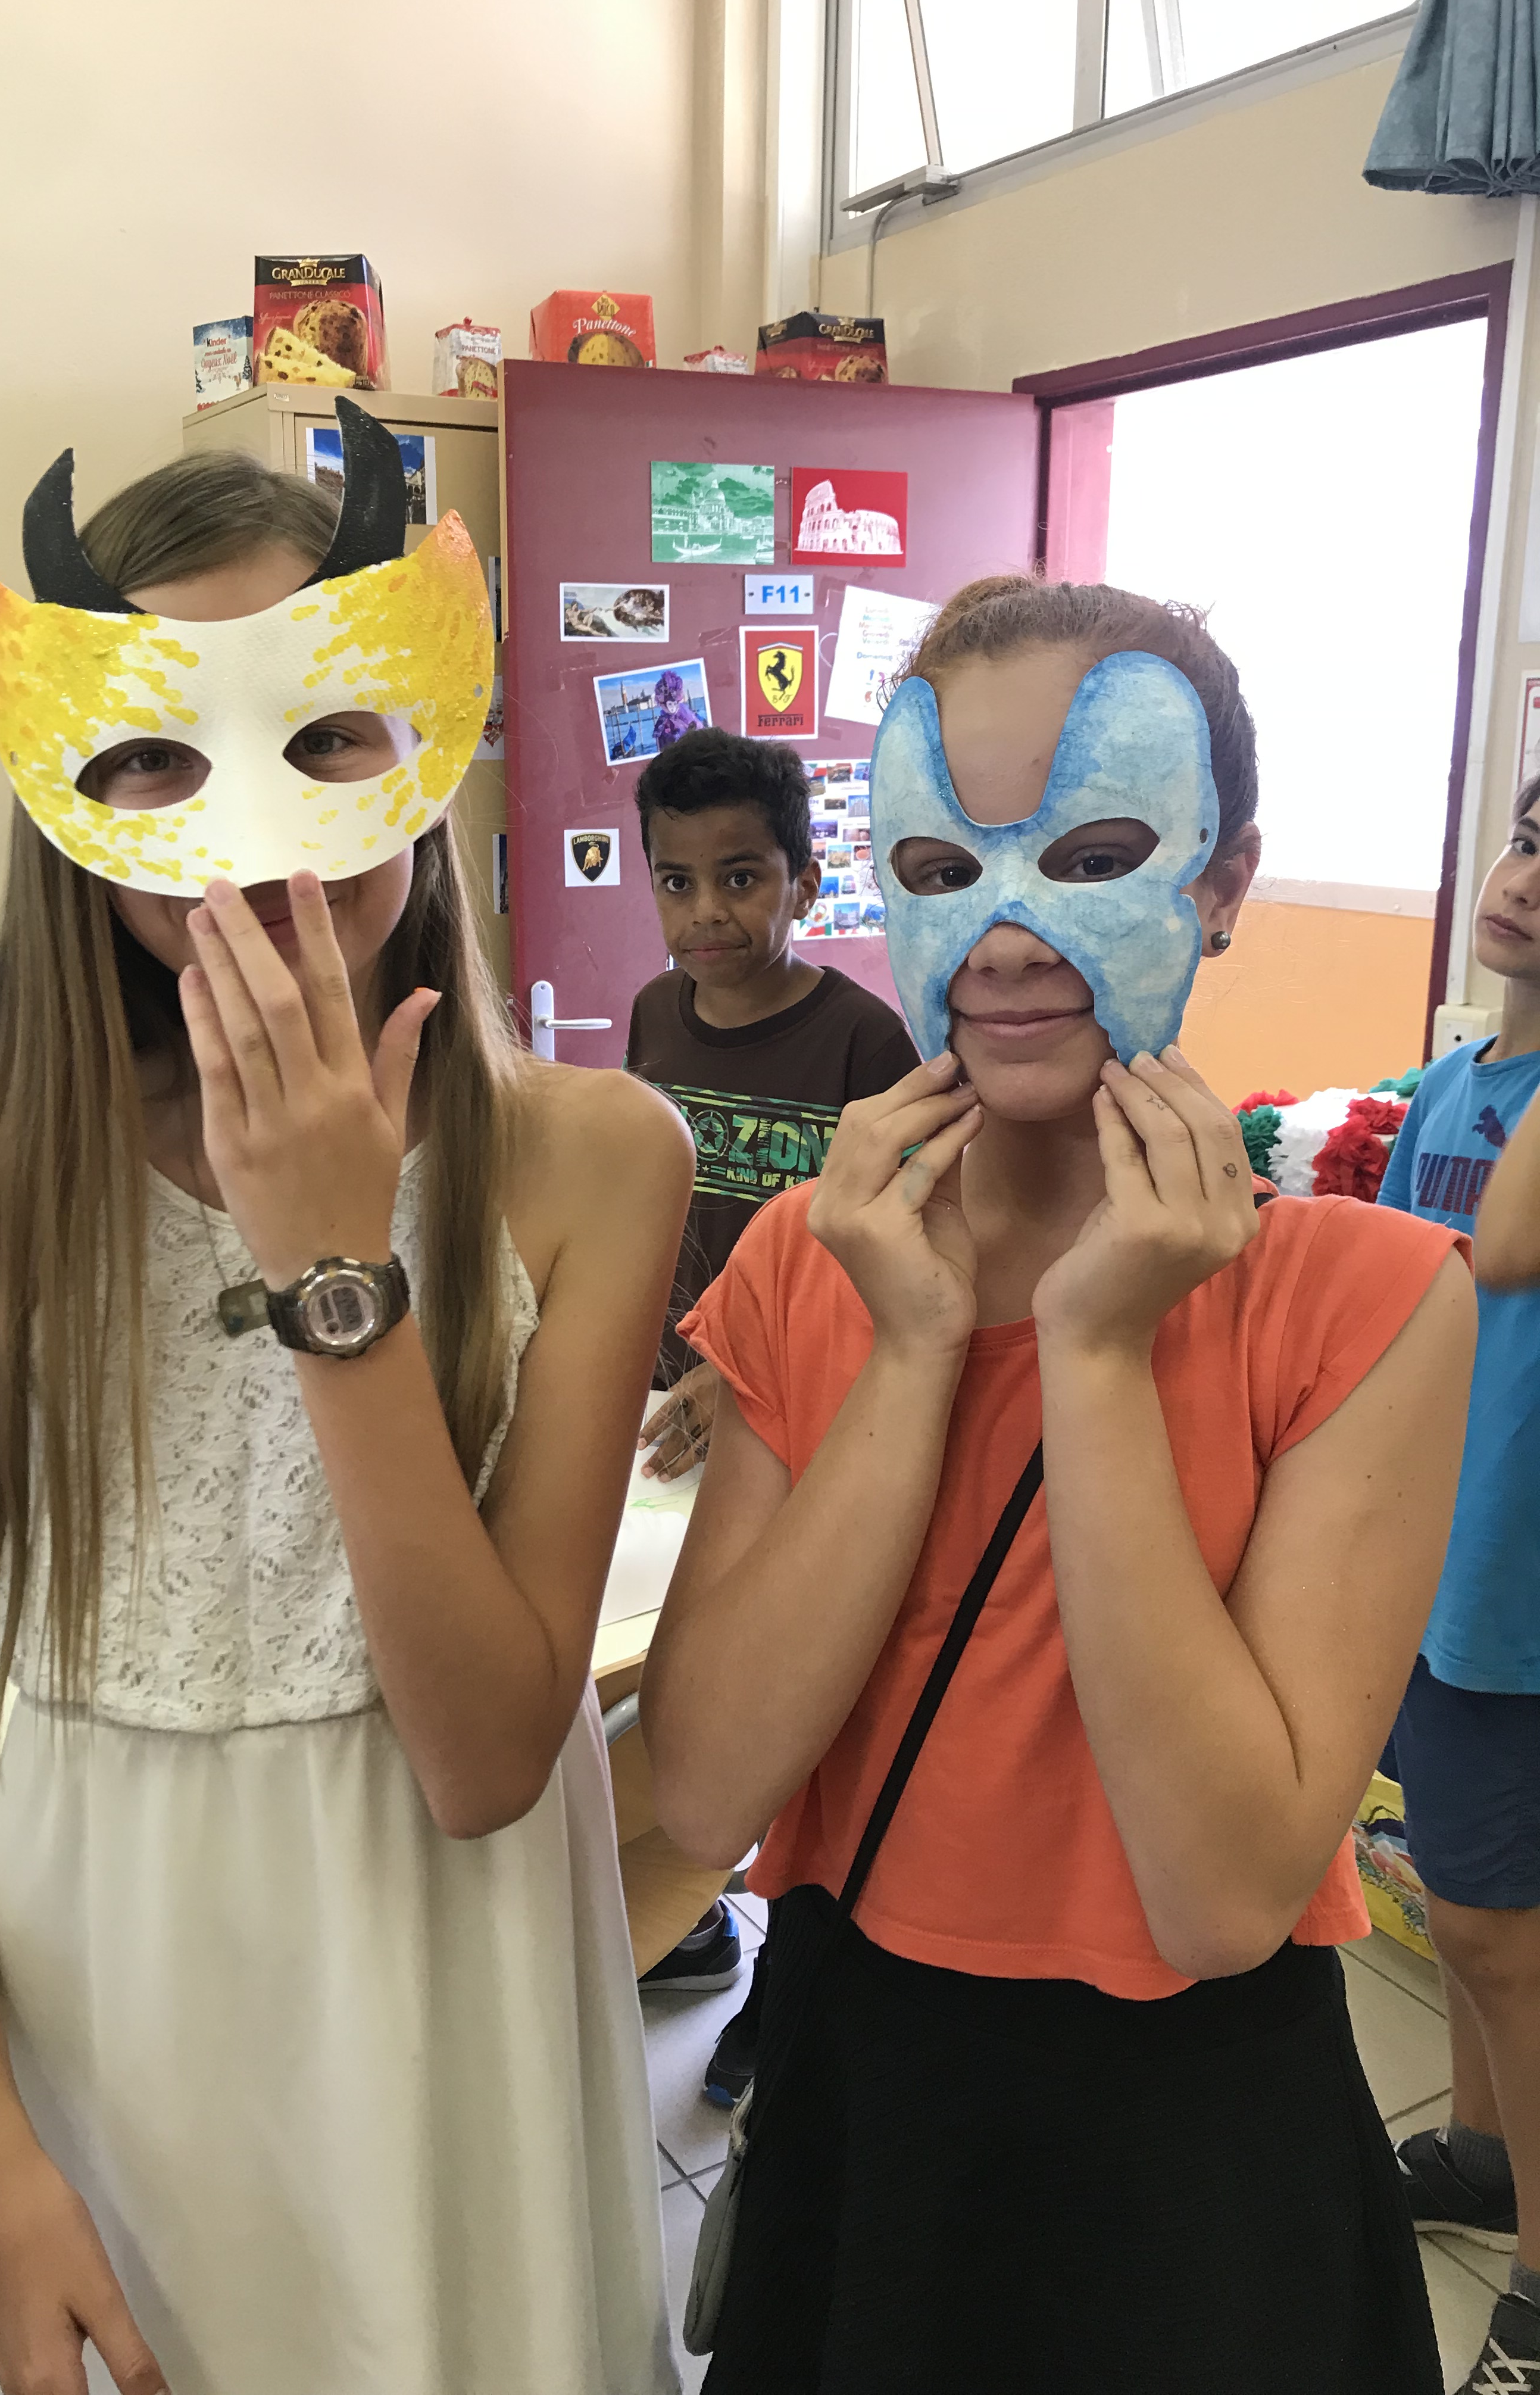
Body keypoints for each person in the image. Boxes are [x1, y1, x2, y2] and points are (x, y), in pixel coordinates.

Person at [0, 427, 691, 2395]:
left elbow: (487, 1756)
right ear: (72, 795)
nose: (246, 821)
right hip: (110, 2012)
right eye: (154, 754)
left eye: (322, 737)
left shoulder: (591, 1156)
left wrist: (334, 1272)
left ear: (421, 742)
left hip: (446, 1993)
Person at [641, 576, 1476, 2394]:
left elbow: (1222, 1897)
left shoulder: (1371, 1299)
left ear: (1225, 881)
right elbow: (700, 1785)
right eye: (945, 870)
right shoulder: (812, 1261)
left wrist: (1097, 1356)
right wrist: (911, 1345)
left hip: (1195, 2148)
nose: (1010, 933)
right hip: (867, 2097)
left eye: (1095, 854)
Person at [623, 726, 917, 2088]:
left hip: (803, 1429)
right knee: (677, 1682)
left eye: (740, 878)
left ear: (804, 880)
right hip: (674, 1424)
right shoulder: (651, 1016)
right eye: (676, 881)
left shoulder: (866, 1041)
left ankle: (785, 1991)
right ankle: (689, 1924)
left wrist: (741, 1374)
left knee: (800, 1718)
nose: (707, 914)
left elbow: (894, 1264)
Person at [1379, 776, 1540, 2392]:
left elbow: (1503, 1250)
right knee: (1463, 1901)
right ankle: (1485, 2155)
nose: (1531, 883)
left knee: (1501, 1931)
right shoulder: (1454, 1081)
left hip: (1516, 1583)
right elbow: (1391, 1288)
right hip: (1430, 1553)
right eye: (1536, 841)